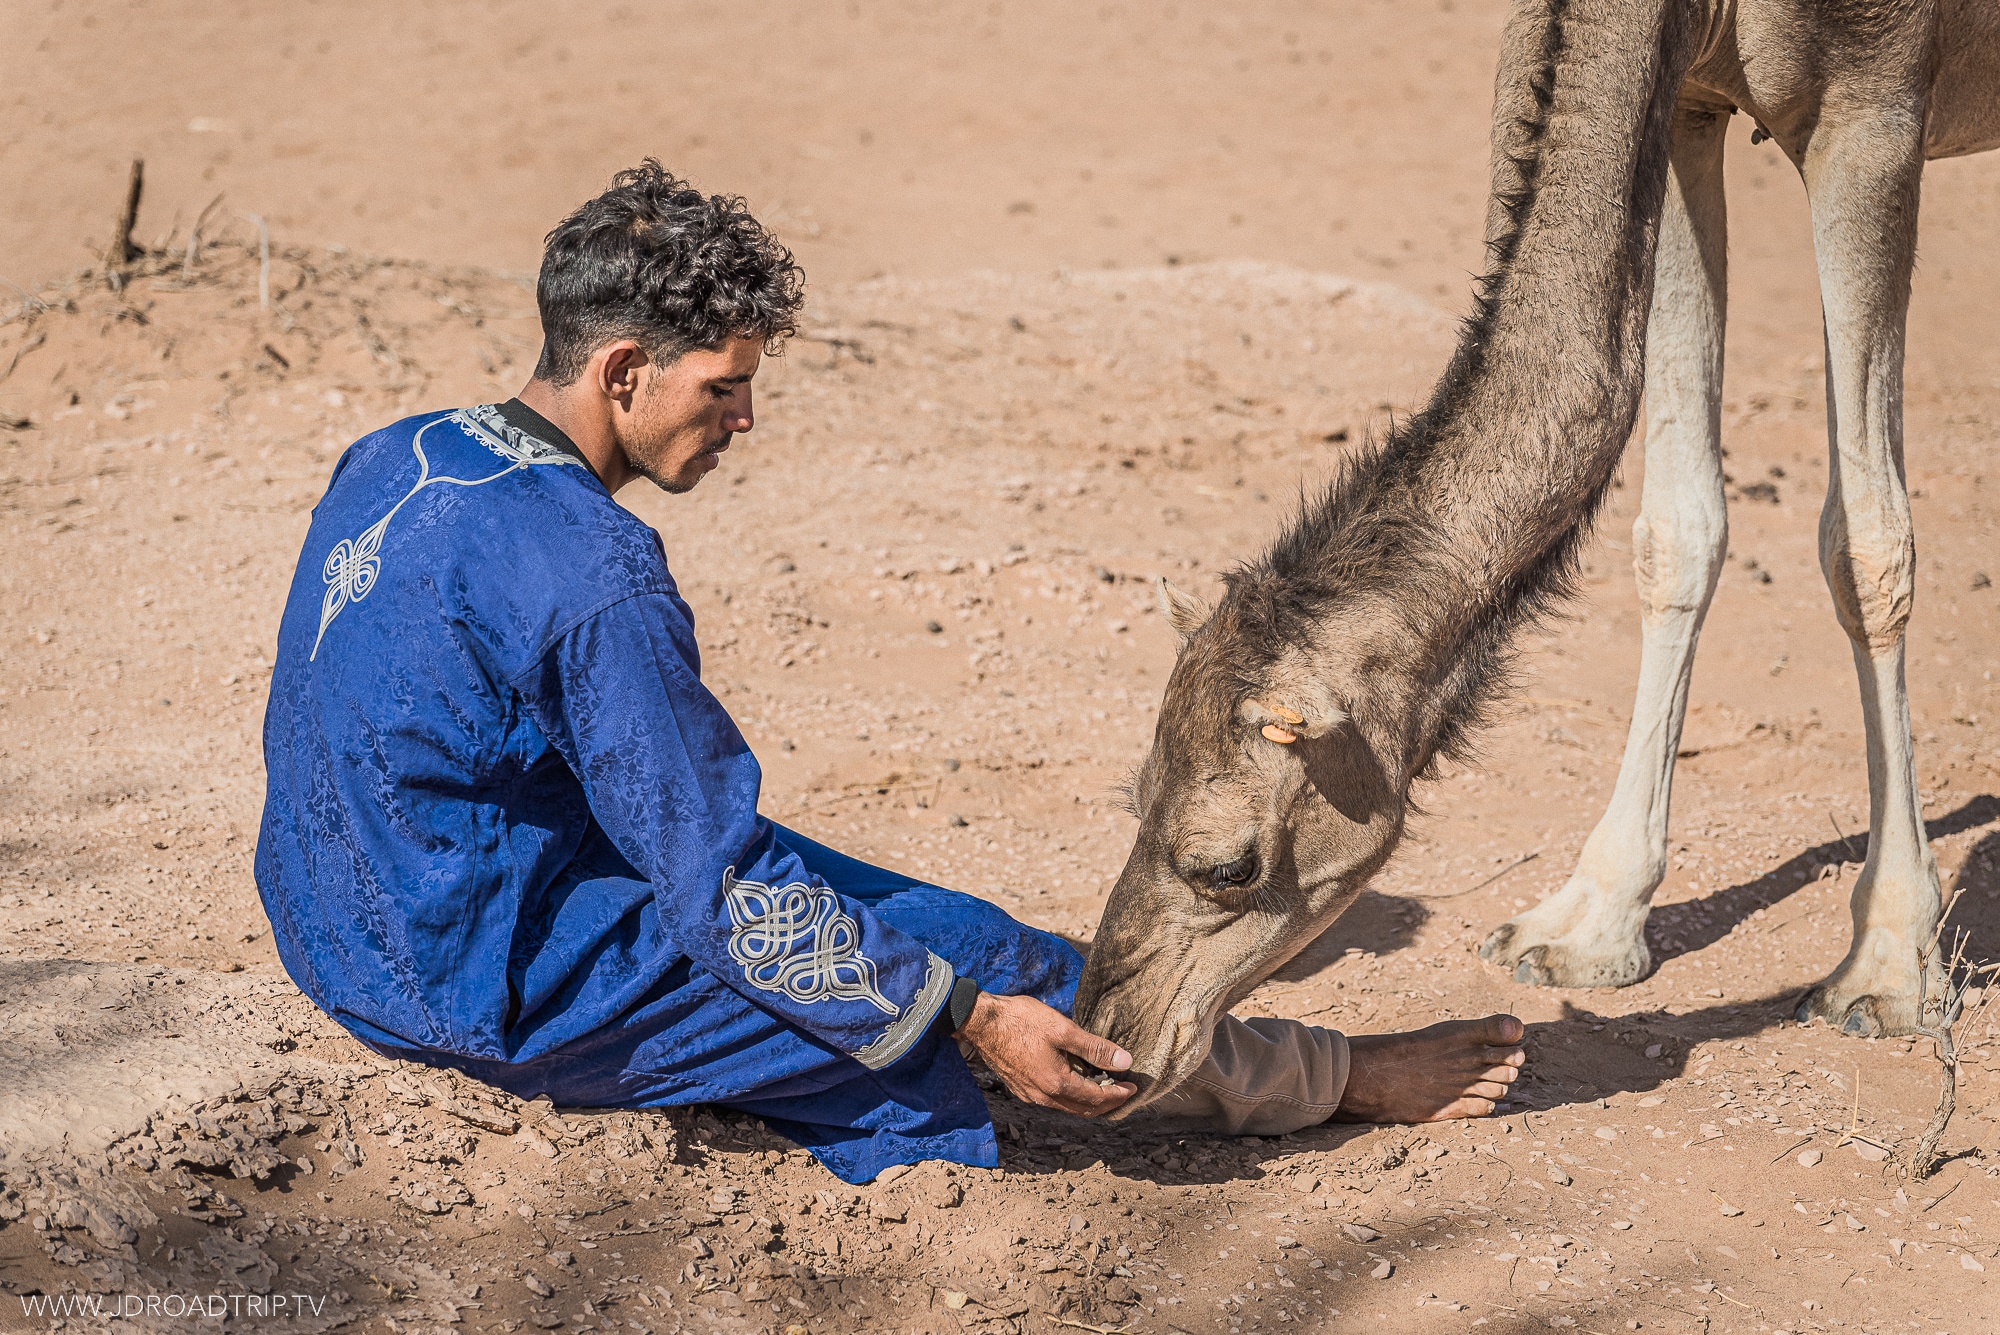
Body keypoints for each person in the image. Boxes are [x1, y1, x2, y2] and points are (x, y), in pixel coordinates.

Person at [257, 162, 1526, 1185]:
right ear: (622, 370)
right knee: (975, 979)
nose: (742, 423)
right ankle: (1331, 1078)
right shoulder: (596, 572)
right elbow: (725, 891)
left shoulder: (400, 452)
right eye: (723, 387)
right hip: (484, 981)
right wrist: (963, 1014)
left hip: (346, 918)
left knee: (868, 910)